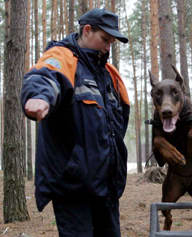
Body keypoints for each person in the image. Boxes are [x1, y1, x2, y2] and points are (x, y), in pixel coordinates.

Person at [21, 8, 130, 237]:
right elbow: (45, 76)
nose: (108, 47)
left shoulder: (110, 75)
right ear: (87, 30)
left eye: (112, 42)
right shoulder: (61, 57)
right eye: (105, 39)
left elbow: (120, 119)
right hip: (74, 189)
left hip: (106, 189)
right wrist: (39, 97)